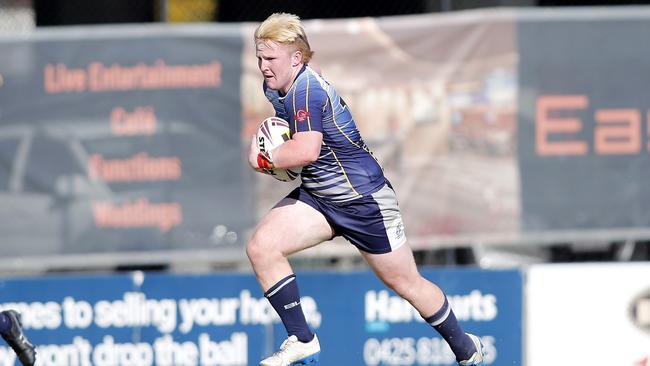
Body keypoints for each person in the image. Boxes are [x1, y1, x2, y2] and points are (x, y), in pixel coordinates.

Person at [247, 13, 485, 366]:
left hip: (364, 201)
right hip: (321, 197)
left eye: (270, 58)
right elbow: (304, 153)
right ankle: (302, 339)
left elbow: (306, 150)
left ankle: (467, 350)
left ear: (296, 57)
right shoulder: (276, 86)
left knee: (407, 284)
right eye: (259, 57)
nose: (263, 66)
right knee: (262, 246)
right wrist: (278, 157)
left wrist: (265, 158)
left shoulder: (307, 90)